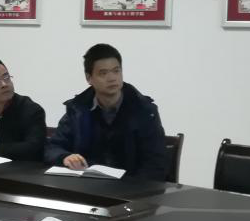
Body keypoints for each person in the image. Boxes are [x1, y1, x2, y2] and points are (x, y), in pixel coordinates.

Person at [45, 44, 168, 180]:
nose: (112, 78)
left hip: (130, 186)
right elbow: (52, 148)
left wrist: (130, 187)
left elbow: (155, 164)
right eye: (103, 73)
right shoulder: (78, 109)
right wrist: (65, 157)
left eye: (116, 71)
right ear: (89, 78)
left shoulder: (144, 110)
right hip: (86, 184)